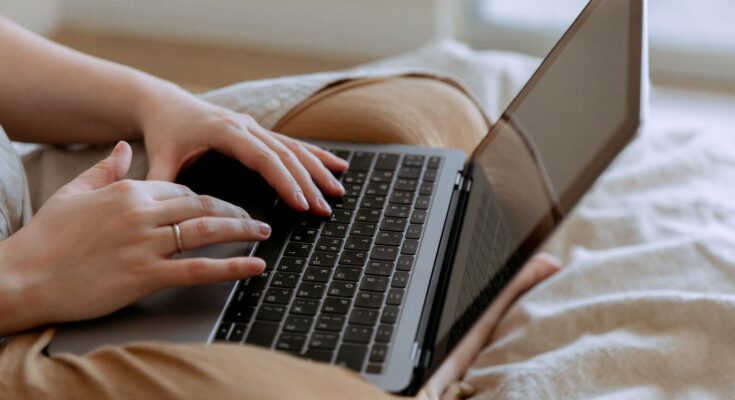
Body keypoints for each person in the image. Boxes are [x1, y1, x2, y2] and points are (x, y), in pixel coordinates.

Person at [0, 16, 560, 399]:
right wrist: (26, 277)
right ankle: (429, 361)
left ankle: (404, 331)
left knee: (421, 120)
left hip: (29, 205)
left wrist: (160, 104)